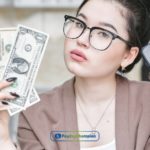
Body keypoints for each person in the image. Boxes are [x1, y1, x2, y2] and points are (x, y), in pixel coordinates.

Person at [0, 0, 150, 149]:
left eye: (103, 33)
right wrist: (4, 141)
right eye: (79, 24)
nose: (82, 39)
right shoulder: (35, 115)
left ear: (128, 56)